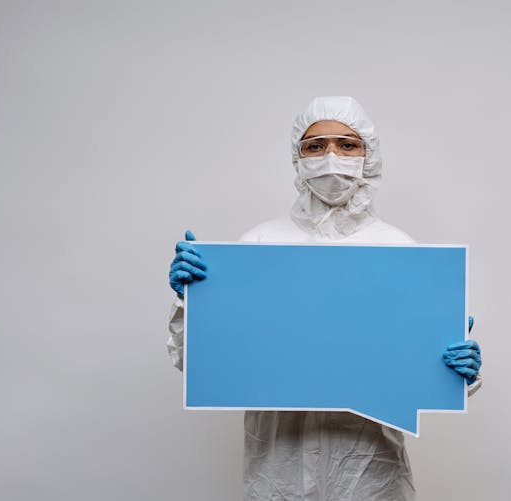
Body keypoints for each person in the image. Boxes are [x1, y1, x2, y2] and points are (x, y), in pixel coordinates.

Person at [166, 96, 483, 500]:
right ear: (297, 158)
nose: (331, 156)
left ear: (368, 156)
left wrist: (457, 369)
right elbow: (195, 362)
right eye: (315, 146)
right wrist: (191, 302)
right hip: (277, 468)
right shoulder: (259, 245)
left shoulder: (398, 249)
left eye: (347, 144)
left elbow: (418, 370)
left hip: (371, 470)